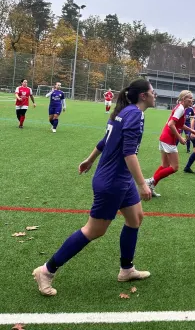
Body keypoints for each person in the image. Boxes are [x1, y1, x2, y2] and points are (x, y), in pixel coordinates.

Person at [32, 79, 156, 297]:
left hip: (120, 179)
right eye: (152, 92)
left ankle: (126, 269)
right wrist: (142, 183)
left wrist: (90, 160)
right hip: (112, 182)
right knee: (94, 230)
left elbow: (105, 140)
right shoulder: (134, 114)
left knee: (135, 218)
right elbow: (129, 153)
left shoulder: (126, 111)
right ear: (143, 96)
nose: (155, 95)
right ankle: (46, 270)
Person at [145, 90, 195, 197]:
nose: (192, 100)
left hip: (164, 137)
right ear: (183, 99)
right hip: (168, 139)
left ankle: (150, 186)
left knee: (164, 165)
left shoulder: (181, 108)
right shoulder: (181, 108)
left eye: (192, 98)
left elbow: (180, 125)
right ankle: (151, 180)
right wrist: (180, 138)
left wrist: (191, 130)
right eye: (190, 98)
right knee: (175, 167)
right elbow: (171, 124)